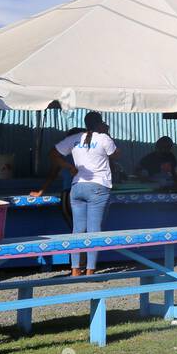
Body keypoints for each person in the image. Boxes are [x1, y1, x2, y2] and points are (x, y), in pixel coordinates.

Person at [49, 112, 118, 276]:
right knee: (94, 230)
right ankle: (90, 270)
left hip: (77, 187)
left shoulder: (74, 138)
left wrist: (69, 166)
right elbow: (116, 155)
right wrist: (106, 134)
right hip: (98, 187)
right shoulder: (103, 138)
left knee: (77, 230)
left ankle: (74, 270)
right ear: (100, 123)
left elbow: (53, 153)